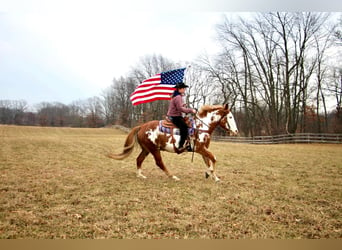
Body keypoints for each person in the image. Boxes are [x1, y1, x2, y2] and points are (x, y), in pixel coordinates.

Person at [167, 82, 197, 152]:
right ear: (179, 89)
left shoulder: (177, 96)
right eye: (183, 88)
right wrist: (191, 110)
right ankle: (180, 146)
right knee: (184, 128)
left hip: (175, 115)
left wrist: (183, 105)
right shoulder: (178, 97)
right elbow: (180, 108)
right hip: (175, 116)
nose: (184, 90)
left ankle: (188, 144)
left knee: (187, 124)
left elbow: (179, 106)